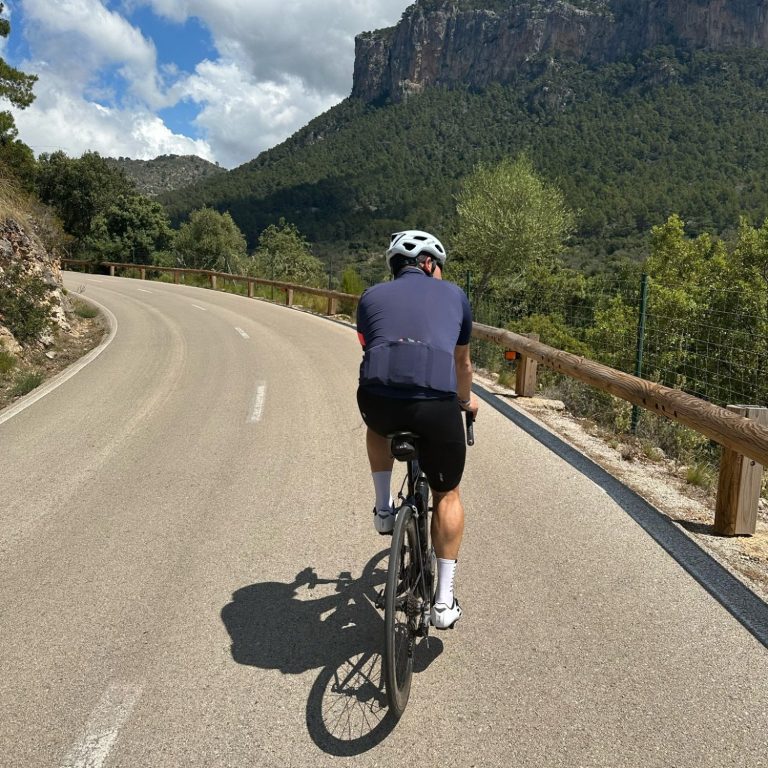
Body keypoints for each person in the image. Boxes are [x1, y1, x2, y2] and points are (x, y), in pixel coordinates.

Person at [355, 230, 479, 630]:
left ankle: (383, 510)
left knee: (377, 425)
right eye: (438, 266)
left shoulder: (370, 296)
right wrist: (465, 402)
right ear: (428, 263)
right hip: (434, 404)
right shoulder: (455, 295)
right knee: (447, 493)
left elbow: (373, 347)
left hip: (377, 399)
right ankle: (443, 603)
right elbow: (462, 365)